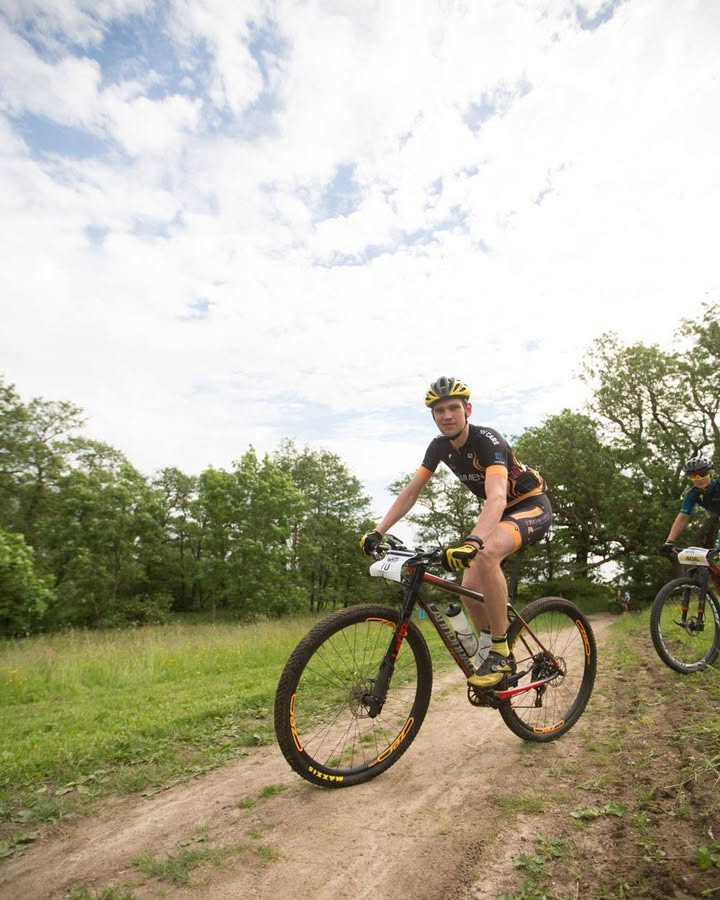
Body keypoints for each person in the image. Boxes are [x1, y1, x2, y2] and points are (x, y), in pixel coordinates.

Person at [359, 376, 553, 688]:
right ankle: (490, 650)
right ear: (433, 417)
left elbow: (497, 497)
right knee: (469, 585)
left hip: (529, 505)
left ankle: (501, 653)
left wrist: (473, 541)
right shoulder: (439, 447)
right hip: (499, 513)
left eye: (453, 408)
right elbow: (411, 492)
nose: (446, 415)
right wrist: (379, 531)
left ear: (468, 410)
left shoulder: (488, 441)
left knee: (485, 554)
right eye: (439, 411)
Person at [661, 456, 720, 557]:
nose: (699, 479)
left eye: (702, 474)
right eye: (694, 476)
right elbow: (682, 518)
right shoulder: (693, 494)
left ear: (711, 473)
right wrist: (669, 542)